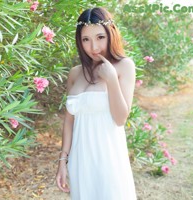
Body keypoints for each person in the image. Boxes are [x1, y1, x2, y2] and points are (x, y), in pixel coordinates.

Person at [55, 7, 137, 200]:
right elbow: (69, 121)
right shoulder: (75, 73)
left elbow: (120, 118)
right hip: (80, 159)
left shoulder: (124, 66)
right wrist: (62, 160)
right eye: (86, 39)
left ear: (111, 34)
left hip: (108, 158)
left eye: (100, 37)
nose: (94, 47)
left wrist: (111, 80)